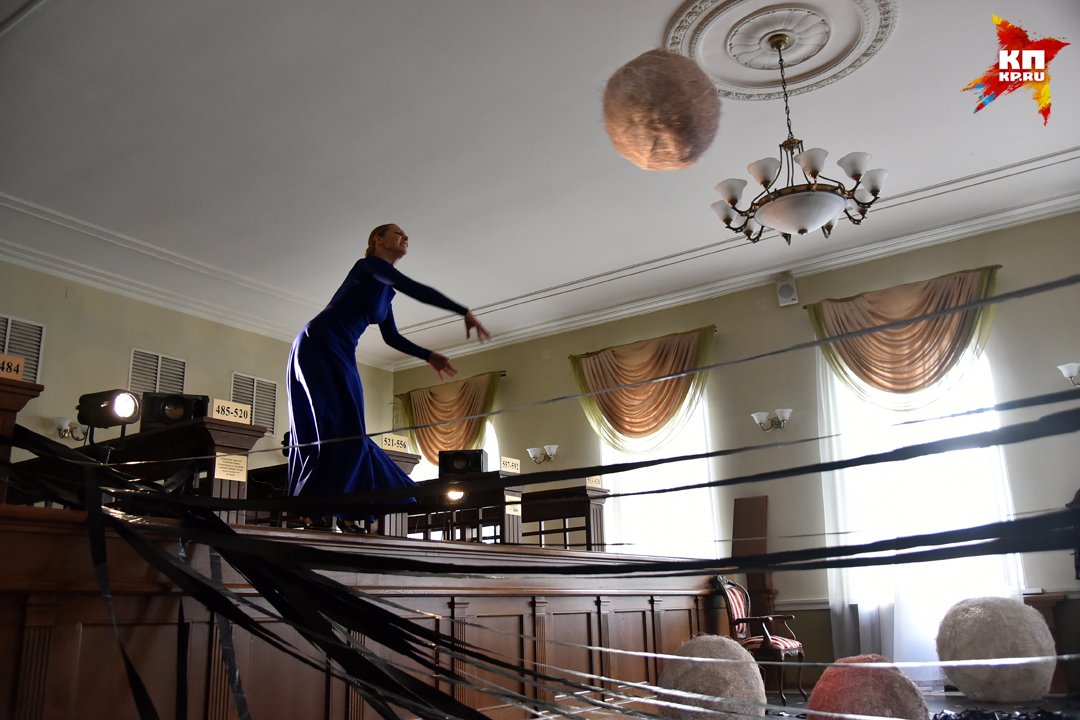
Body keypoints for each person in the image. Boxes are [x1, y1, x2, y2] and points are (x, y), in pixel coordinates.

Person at [286, 223, 490, 530]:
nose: (405, 237)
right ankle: (317, 509)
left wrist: (427, 355)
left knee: (350, 430)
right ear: (377, 240)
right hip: (320, 341)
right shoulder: (368, 266)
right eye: (397, 233)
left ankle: (346, 508)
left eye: (406, 234)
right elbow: (415, 288)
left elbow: (391, 336)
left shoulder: (385, 291)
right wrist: (462, 311)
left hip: (340, 348)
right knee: (338, 425)